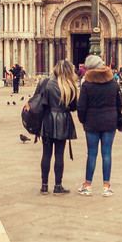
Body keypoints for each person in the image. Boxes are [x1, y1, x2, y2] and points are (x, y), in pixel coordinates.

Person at [77, 54, 121, 197]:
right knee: (107, 153)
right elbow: (120, 104)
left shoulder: (87, 85)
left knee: (92, 154)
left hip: (92, 123)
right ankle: (106, 187)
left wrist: (83, 120)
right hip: (109, 123)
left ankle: (88, 186)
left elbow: (81, 107)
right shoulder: (113, 83)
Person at [35, 60, 79, 195]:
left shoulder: (45, 83)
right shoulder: (70, 86)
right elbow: (73, 107)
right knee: (59, 155)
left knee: (46, 154)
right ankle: (58, 186)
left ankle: (44, 186)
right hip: (63, 122)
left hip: (47, 120)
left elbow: (38, 101)